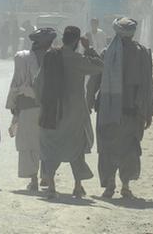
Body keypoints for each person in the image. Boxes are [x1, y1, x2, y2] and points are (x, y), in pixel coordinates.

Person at [87, 17, 153, 199]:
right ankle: (125, 186)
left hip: (108, 112)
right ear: (133, 33)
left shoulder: (107, 53)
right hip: (132, 114)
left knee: (107, 148)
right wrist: (148, 112)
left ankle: (110, 185)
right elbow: (148, 85)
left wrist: (88, 103)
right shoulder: (141, 54)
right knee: (129, 148)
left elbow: (94, 81)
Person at [35, 26, 104, 199]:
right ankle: (77, 186)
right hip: (74, 114)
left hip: (51, 112)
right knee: (76, 149)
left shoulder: (50, 57)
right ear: (76, 41)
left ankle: (51, 186)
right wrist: (89, 48)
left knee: (50, 148)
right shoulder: (77, 59)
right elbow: (100, 66)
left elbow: (38, 83)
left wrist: (43, 103)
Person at [6, 27, 55, 191]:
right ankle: (46, 177)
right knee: (46, 143)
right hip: (48, 107)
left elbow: (15, 83)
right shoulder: (54, 57)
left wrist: (13, 106)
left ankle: (33, 180)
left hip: (27, 106)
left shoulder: (21, 57)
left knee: (28, 144)